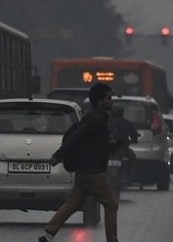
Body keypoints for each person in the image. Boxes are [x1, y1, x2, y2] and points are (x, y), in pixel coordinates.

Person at [38, 82, 120, 242]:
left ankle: (48, 234)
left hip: (85, 170)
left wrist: (114, 145)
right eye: (109, 98)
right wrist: (58, 155)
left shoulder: (97, 118)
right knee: (111, 204)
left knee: (72, 203)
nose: (112, 101)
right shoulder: (96, 119)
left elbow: (96, 142)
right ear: (99, 100)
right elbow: (77, 137)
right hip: (93, 171)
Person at [108, 104, 140, 180]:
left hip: (110, 150)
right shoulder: (127, 123)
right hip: (121, 150)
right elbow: (134, 135)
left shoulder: (105, 122)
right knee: (132, 158)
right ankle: (130, 177)